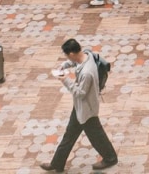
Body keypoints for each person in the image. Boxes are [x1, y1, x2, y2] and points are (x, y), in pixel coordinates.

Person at [40, 38, 118, 172]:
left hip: (86, 108)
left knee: (95, 135)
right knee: (70, 135)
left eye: (67, 56)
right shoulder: (86, 54)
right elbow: (74, 62)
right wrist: (65, 65)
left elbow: (80, 92)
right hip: (81, 108)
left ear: (71, 53)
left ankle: (110, 157)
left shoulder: (87, 73)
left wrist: (65, 80)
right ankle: (57, 164)